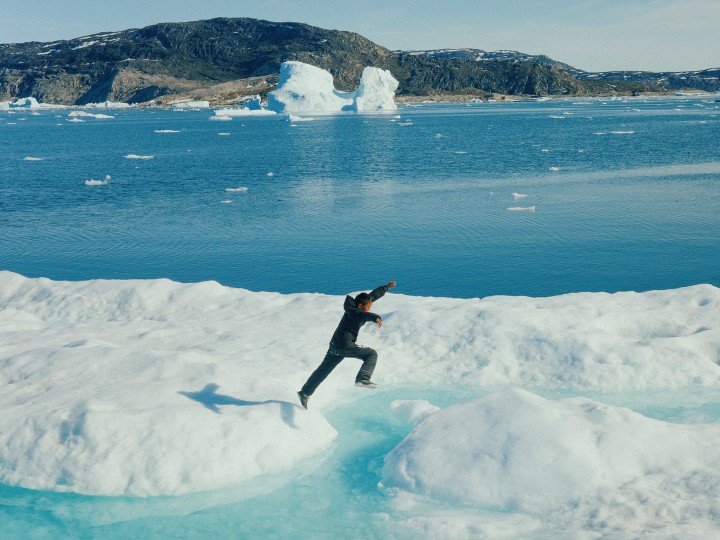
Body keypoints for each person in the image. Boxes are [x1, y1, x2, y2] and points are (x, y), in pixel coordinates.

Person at [298, 281, 396, 409]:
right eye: (368, 307)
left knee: (323, 371)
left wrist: (386, 288)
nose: (370, 308)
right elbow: (365, 315)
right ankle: (363, 378)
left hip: (335, 346)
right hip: (345, 345)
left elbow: (371, 297)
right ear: (360, 306)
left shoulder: (355, 306)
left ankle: (305, 393)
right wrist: (375, 317)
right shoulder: (356, 313)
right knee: (371, 354)